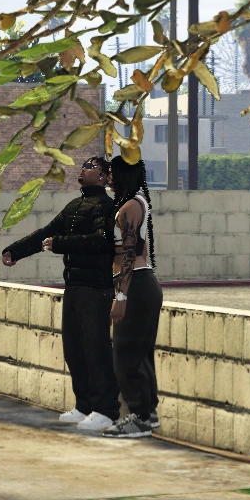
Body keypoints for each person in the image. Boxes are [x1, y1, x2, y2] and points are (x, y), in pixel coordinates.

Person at [1, 157, 119, 431]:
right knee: (74, 349)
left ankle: (106, 410)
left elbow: (101, 241)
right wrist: (15, 251)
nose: (83, 169)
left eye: (90, 167)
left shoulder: (106, 206)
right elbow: (47, 233)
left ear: (103, 176)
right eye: (83, 166)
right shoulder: (74, 206)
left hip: (95, 288)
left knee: (96, 350)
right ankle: (84, 405)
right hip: (74, 286)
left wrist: (61, 243)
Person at [102, 156, 163, 440]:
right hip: (141, 283)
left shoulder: (129, 207)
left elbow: (128, 255)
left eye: (112, 173)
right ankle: (148, 413)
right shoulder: (137, 203)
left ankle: (139, 418)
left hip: (135, 286)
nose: (109, 178)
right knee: (141, 354)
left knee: (125, 355)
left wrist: (121, 295)